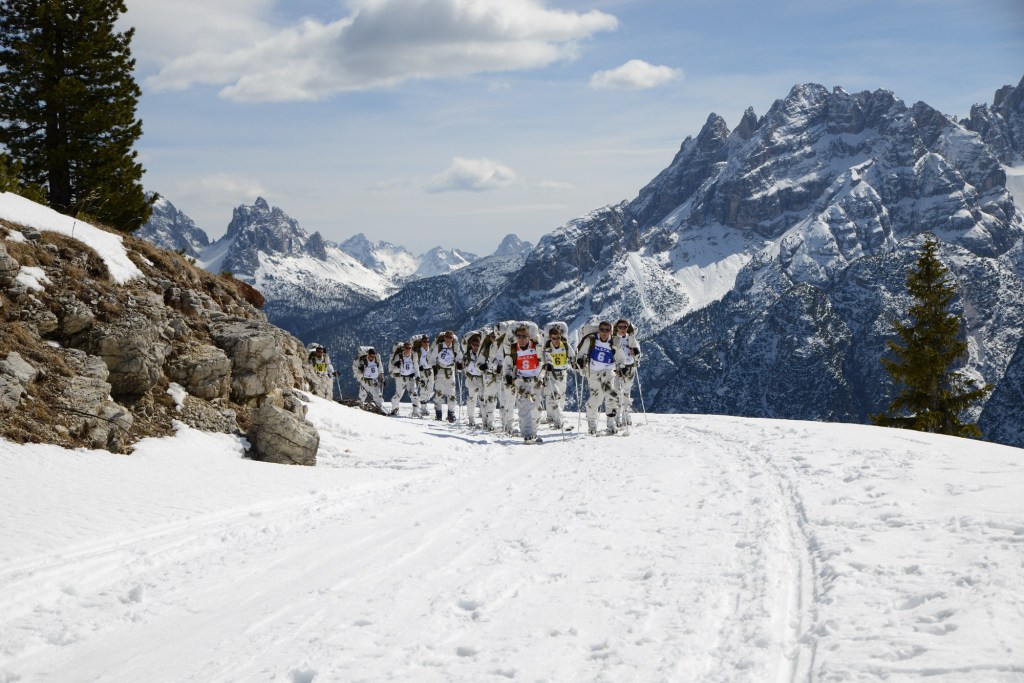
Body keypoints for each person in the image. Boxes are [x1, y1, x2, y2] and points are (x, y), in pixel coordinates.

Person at [576, 320, 621, 435]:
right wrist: (580, 361)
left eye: (607, 330)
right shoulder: (591, 339)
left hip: (608, 372)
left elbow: (621, 358)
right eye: (602, 330)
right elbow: (580, 354)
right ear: (599, 330)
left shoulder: (615, 341)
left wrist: (622, 368)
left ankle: (611, 422)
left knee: (611, 394)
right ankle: (591, 422)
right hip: (593, 373)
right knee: (597, 397)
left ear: (611, 331)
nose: (604, 332)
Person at [504, 322, 544, 442]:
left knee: (537, 408)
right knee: (524, 405)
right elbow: (508, 364)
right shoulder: (513, 349)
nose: (521, 339)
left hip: (536, 380)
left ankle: (534, 431)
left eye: (524, 336)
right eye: (519, 336)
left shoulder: (536, 346)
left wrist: (549, 365)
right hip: (521, 380)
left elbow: (546, 358)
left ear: (529, 336)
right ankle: (526, 434)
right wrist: (508, 375)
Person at [541, 322, 575, 430]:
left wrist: (574, 363)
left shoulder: (565, 345)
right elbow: (541, 359)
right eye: (554, 338)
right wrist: (544, 366)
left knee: (561, 396)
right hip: (551, 374)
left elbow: (572, 356)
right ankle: (558, 420)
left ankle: (551, 416)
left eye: (558, 337)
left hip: (563, 373)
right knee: (553, 395)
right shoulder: (546, 347)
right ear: (550, 338)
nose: (556, 340)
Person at [612, 319, 641, 427]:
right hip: (617, 369)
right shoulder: (613, 340)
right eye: (620, 327)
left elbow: (638, 353)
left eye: (625, 327)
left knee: (626, 392)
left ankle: (626, 414)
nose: (622, 329)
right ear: (617, 328)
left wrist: (637, 353)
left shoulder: (632, 339)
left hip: (630, 368)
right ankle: (617, 416)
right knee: (617, 391)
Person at [430, 330, 460, 422]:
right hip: (440, 371)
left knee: (452, 394)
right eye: (447, 337)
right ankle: (438, 413)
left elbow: (460, 358)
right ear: (444, 337)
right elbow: (431, 359)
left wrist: (460, 364)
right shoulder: (439, 347)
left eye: (450, 337)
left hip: (450, 371)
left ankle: (451, 413)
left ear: (452, 338)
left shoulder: (455, 347)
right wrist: (434, 368)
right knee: (439, 393)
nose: (448, 339)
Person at [460, 331, 487, 427]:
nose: (475, 346)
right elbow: (463, 366)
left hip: (482, 379)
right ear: (470, 344)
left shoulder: (483, 354)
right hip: (471, 379)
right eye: (474, 344)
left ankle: (485, 421)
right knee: (472, 399)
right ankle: (471, 419)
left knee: (483, 400)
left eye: (477, 344)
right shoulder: (467, 355)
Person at [389, 340, 420, 416]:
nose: (408, 349)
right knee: (398, 395)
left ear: (411, 348)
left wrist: (418, 376)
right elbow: (394, 370)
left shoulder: (413, 356)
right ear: (403, 348)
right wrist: (398, 366)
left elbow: (416, 367)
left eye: (409, 348)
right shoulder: (398, 356)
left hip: (411, 378)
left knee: (414, 394)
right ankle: (394, 410)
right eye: (406, 348)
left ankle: (415, 412)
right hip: (400, 378)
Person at [353, 347, 386, 412]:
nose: (373, 358)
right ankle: (359, 407)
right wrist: (360, 370)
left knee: (378, 396)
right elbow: (356, 372)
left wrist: (382, 379)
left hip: (374, 380)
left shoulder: (377, 360)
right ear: (368, 355)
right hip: (365, 381)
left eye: (374, 356)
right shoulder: (363, 361)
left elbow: (380, 370)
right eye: (371, 356)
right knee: (362, 395)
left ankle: (379, 408)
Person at [414, 334, 435, 418]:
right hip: (422, 372)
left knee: (430, 389)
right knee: (423, 389)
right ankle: (423, 409)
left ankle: (424, 404)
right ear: (421, 342)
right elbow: (415, 364)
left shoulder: (432, 351)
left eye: (427, 341)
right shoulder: (418, 352)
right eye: (424, 342)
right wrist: (417, 374)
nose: (426, 343)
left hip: (430, 371)